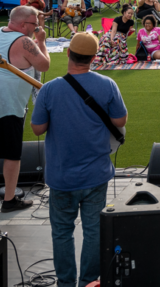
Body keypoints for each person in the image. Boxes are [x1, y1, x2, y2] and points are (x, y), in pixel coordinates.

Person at [32, 33, 127, 287]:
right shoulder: (107, 85)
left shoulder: (50, 89)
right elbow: (120, 121)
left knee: (62, 232)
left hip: (62, 176)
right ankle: (89, 282)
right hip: (96, 173)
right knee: (94, 231)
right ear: (94, 58)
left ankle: (66, 283)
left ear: (68, 53)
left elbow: (37, 128)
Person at [0, 6, 51, 210]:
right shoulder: (25, 41)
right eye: (34, 24)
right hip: (8, 104)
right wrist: (41, 41)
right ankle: (9, 199)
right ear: (24, 24)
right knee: (12, 154)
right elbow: (44, 65)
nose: (36, 27)